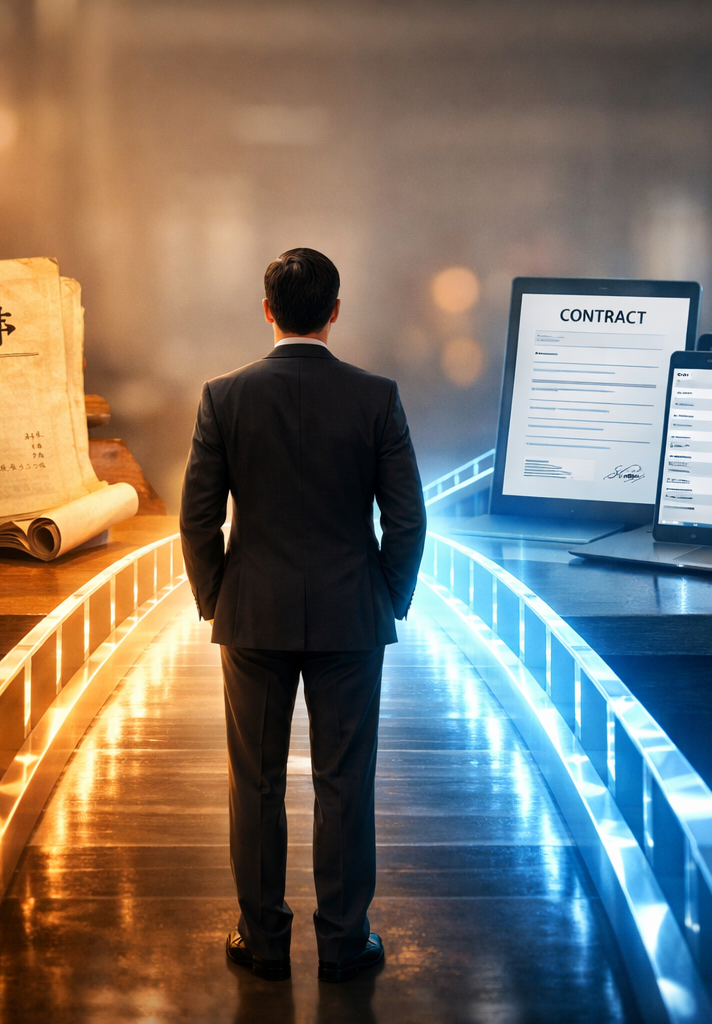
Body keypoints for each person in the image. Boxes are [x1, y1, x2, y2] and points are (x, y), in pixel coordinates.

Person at [180, 247, 426, 983]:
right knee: (345, 783)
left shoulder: (223, 396)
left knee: (253, 783)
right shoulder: (375, 397)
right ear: (335, 312)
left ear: (268, 312)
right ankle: (345, 944)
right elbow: (407, 520)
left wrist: (218, 597)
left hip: (252, 614)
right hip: (352, 616)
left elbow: (197, 521)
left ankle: (263, 944)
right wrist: (386, 595)